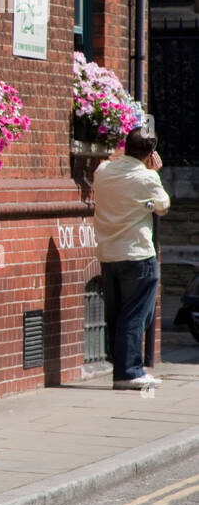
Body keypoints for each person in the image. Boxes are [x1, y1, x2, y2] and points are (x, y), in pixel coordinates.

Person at [92, 127, 170, 390]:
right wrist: (153, 173)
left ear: (125, 146)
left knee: (117, 313)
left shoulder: (102, 171)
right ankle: (130, 372)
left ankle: (121, 367)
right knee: (136, 314)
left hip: (108, 253)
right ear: (150, 154)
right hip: (138, 254)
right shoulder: (147, 178)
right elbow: (163, 206)